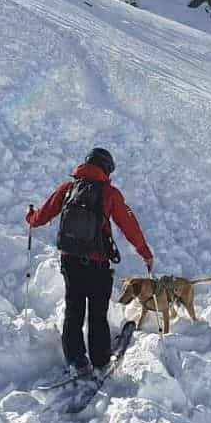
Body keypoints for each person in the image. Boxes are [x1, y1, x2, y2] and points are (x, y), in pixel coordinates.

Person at [26, 147, 153, 376]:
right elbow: (129, 225)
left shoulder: (68, 188)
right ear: (106, 168)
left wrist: (31, 217)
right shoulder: (110, 193)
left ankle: (76, 360)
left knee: (74, 310)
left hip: (70, 261)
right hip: (97, 263)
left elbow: (42, 216)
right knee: (97, 312)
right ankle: (100, 358)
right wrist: (145, 252)